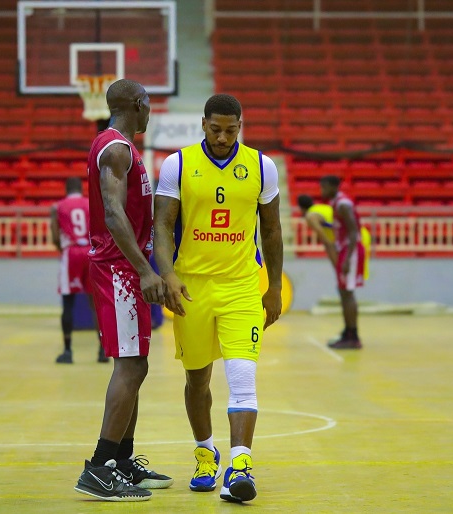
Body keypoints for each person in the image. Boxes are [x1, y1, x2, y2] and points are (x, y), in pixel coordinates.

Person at [154, 94, 283, 503]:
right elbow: (162, 226)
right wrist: (168, 276)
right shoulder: (177, 164)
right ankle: (205, 452)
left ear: (240, 125)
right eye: (216, 129)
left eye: (232, 130)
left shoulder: (262, 166)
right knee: (197, 379)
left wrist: (274, 286)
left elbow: (274, 231)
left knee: (243, 377)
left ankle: (240, 464)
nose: (224, 137)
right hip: (191, 287)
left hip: (242, 285)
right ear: (203, 124)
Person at [74, 79, 173, 502]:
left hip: (124, 267)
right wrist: (144, 271)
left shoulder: (120, 147)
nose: (152, 112)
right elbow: (113, 214)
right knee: (130, 366)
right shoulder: (115, 149)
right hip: (118, 269)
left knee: (138, 365)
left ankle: (121, 458)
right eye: (150, 105)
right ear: (138, 103)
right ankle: (99, 467)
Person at [50, 177, 108, 364]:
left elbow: (55, 235)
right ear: (81, 188)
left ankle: (67, 351)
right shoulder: (90, 203)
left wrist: (63, 250)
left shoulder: (57, 206)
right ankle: (102, 351)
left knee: (68, 302)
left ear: (66, 189)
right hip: (90, 252)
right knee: (95, 303)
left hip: (72, 251)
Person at [319, 176, 366, 349]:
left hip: (350, 250)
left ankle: (353, 335)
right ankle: (348, 332)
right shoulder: (337, 203)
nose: (321, 190)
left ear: (332, 186)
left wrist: (347, 259)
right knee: (343, 290)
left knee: (347, 291)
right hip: (345, 249)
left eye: (323, 186)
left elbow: (354, 232)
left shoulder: (343, 204)